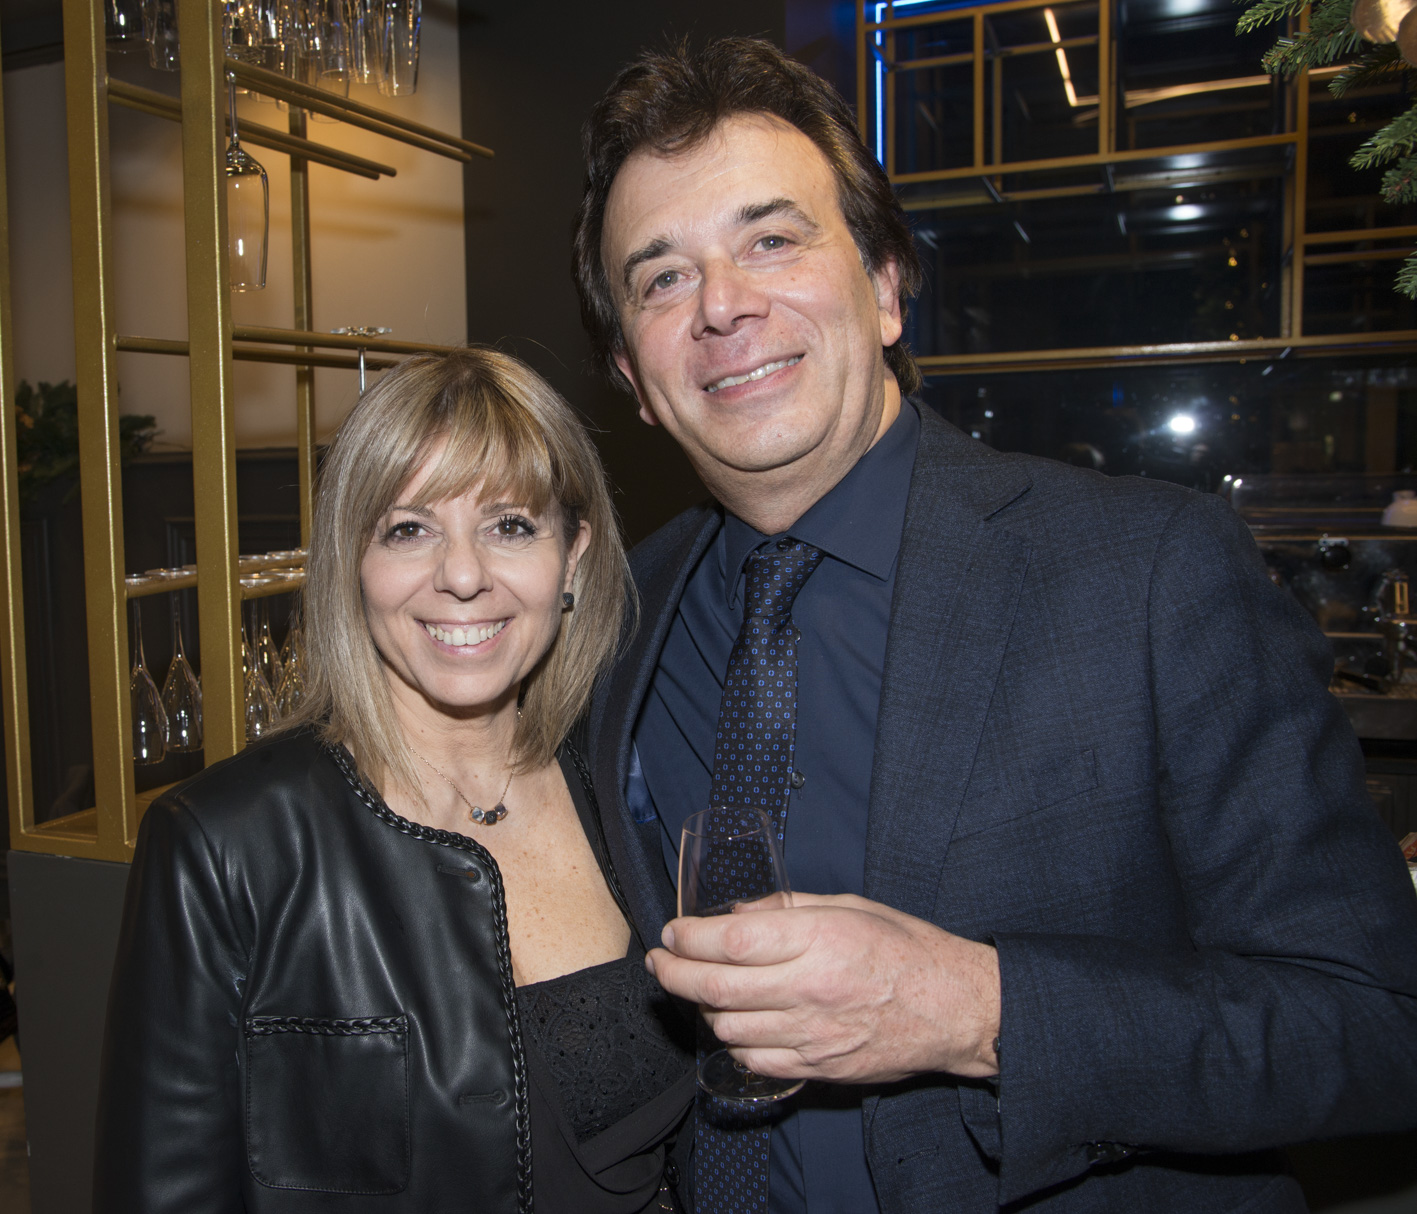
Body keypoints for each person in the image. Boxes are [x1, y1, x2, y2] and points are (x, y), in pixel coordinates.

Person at [573, 37, 1417, 1214]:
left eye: (771, 240)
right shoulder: (611, 614)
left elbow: (1375, 1022)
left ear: (884, 287)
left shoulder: (1146, 572)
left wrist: (976, 1011)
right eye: (662, 277)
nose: (722, 305)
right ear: (631, 370)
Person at [93, 348, 695, 1213]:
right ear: (351, 561)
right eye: (409, 529)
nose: (462, 575)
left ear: (572, 557)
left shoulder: (630, 784)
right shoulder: (224, 843)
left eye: (510, 526)